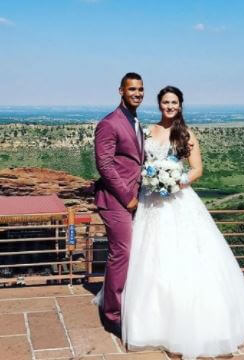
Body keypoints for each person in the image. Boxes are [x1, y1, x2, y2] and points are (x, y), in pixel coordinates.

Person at [121, 86, 244, 360]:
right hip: (151, 201)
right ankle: (155, 324)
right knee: (152, 258)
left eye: (174, 102)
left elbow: (197, 169)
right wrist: (151, 180)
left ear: (181, 104)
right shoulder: (147, 131)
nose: (169, 106)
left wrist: (177, 181)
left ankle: (193, 325)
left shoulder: (186, 134)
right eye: (165, 102)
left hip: (178, 201)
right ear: (159, 104)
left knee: (185, 257)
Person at [93, 72, 144, 336]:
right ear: (120, 91)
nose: (137, 93)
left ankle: (126, 302)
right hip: (115, 200)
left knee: (132, 252)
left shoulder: (134, 121)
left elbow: (134, 162)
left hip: (135, 198)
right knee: (121, 253)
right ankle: (111, 314)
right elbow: (105, 165)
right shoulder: (109, 123)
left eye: (140, 89)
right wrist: (128, 197)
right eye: (132, 89)